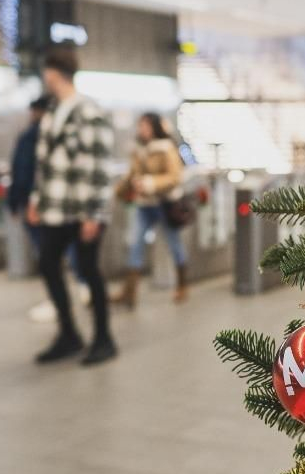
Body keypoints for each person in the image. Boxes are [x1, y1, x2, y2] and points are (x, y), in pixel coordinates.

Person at [27, 48, 117, 365]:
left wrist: (94, 214)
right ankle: (69, 334)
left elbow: (97, 167)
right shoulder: (54, 111)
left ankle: (104, 338)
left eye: (45, 73)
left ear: (53, 73)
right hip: (56, 208)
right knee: (49, 265)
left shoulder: (87, 111)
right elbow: (46, 163)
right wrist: (36, 200)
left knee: (90, 271)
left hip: (82, 210)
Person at [9, 97, 92, 323]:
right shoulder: (54, 134)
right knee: (62, 253)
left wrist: (19, 201)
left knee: (47, 257)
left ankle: (59, 300)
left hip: (40, 204)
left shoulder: (32, 136)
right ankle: (79, 289)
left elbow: (25, 171)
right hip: (53, 203)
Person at [113, 112, 190, 308]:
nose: (143, 130)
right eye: (141, 126)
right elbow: (132, 174)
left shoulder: (165, 148)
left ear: (154, 127)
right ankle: (130, 292)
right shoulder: (138, 149)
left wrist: (150, 183)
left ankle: (182, 285)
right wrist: (120, 191)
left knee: (174, 244)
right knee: (135, 244)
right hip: (144, 205)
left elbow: (175, 177)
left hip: (164, 204)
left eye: (146, 126)